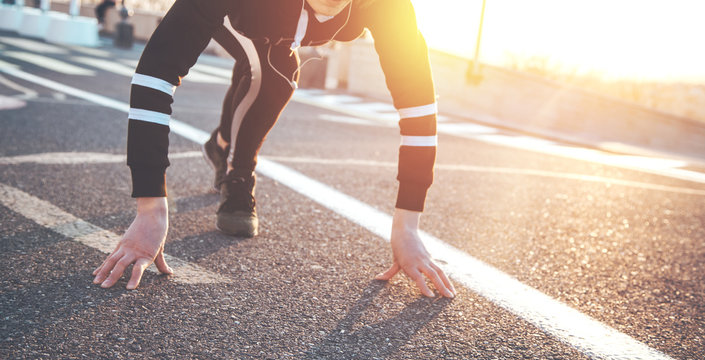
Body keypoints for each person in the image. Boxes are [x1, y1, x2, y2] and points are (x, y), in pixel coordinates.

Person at [92, 0, 456, 298]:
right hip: (239, 15)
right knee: (274, 71)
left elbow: (419, 107)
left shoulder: (386, 6)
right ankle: (238, 170)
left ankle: (222, 145)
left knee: (274, 61)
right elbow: (154, 76)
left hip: (281, 26)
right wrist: (150, 206)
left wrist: (408, 225)